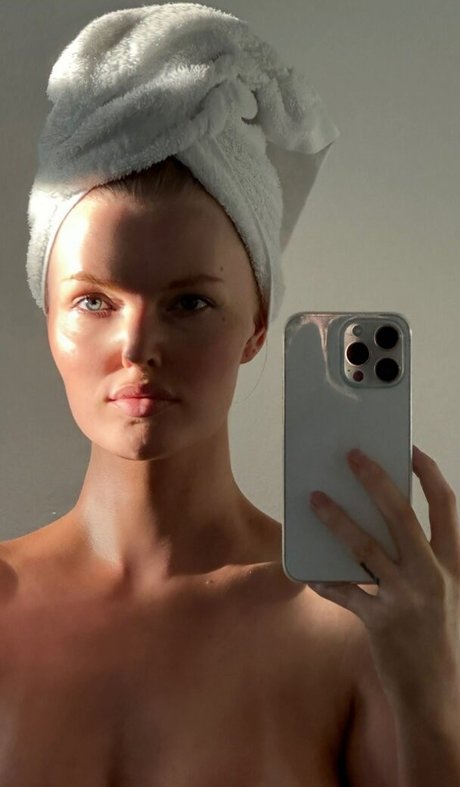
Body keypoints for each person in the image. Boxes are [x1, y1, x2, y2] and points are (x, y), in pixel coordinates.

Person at [2, 5, 459, 786]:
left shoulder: (352, 624)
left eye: (189, 302)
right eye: (94, 300)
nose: (137, 345)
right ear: (48, 315)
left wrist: (430, 688)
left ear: (257, 326)